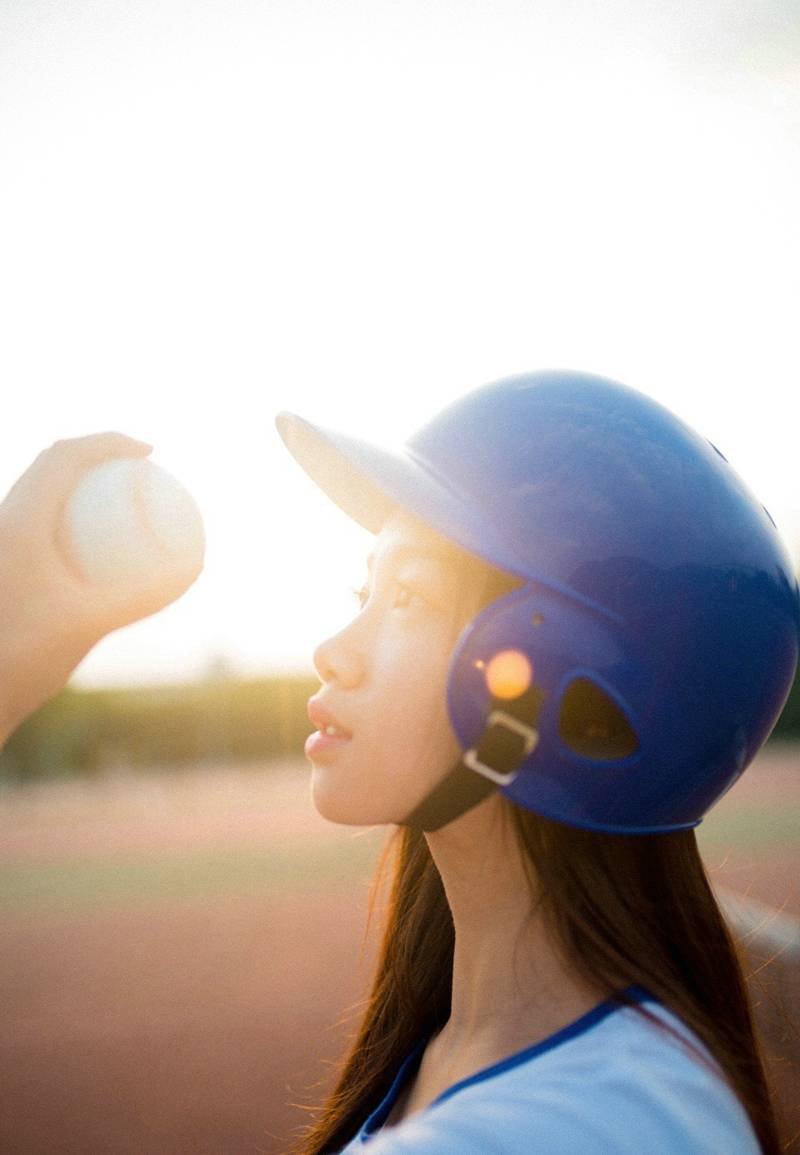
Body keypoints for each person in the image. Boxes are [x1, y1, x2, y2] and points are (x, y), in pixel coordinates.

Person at [273, 369, 800, 1154]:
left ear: (559, 678)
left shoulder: (578, 1127)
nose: (333, 653)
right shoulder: (522, 1067)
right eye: (364, 595)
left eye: (409, 598)